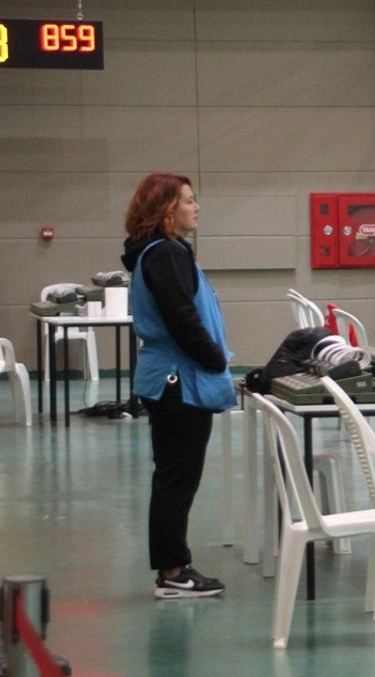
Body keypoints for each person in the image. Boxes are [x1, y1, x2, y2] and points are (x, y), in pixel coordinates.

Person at [121, 172, 234, 599]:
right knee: (176, 479)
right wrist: (214, 358)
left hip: (170, 378)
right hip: (177, 381)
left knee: (173, 476)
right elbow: (182, 319)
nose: (196, 207)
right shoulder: (166, 254)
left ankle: (173, 568)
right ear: (167, 210)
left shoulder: (160, 252)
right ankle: (172, 572)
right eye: (188, 200)